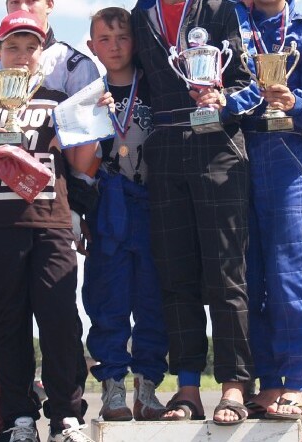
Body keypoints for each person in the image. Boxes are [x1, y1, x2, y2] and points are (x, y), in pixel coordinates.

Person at [0, 11, 96, 442]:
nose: (22, 54)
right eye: (13, 47)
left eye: (31, 47)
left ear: (42, 53)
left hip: (52, 221)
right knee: (9, 322)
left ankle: (66, 415)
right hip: (0, 223)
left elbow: (83, 163)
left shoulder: (59, 98)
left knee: (60, 320)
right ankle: (19, 417)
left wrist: (90, 125)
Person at [130, 0, 261, 425]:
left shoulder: (221, 7)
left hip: (218, 145)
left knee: (227, 273)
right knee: (175, 276)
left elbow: (249, 80)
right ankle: (187, 388)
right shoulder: (141, 12)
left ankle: (234, 386)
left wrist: (224, 99)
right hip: (165, 150)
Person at [234, 0, 302, 421]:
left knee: (287, 272)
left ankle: (295, 381)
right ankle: (268, 381)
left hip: (285, 152)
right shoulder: (229, 22)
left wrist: (294, 101)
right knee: (246, 275)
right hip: (233, 150)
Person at [81, 7, 168, 422]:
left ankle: (147, 386)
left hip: (154, 203)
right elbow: (79, 165)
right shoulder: (87, 94)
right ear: (92, 46)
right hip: (109, 205)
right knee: (107, 297)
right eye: (105, 39)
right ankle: (113, 384)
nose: (114, 47)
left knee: (154, 298)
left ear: (136, 41)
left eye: (122, 37)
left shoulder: (157, 85)